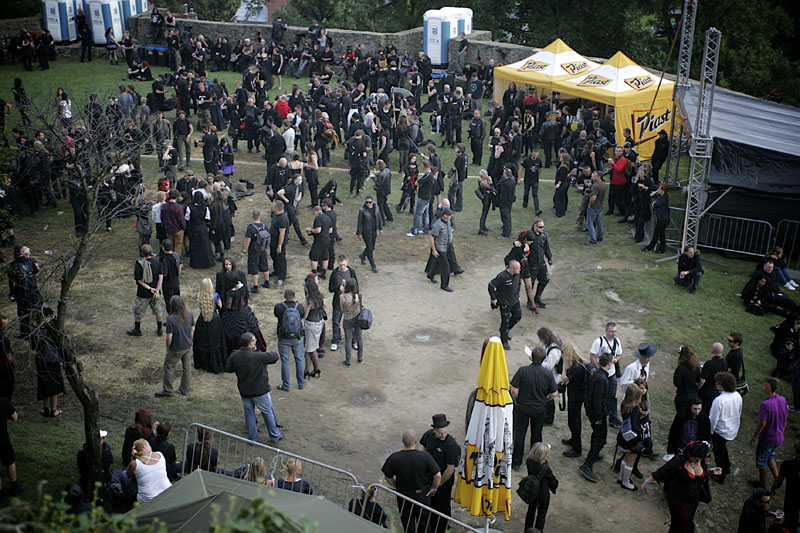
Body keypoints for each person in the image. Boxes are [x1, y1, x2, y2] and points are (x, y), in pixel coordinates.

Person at [641, 440, 712, 533]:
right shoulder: (679, 460)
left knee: (686, 521)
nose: (696, 460)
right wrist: (646, 482)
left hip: (693, 500)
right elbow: (662, 472)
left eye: (698, 458)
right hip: (677, 499)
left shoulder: (701, 461)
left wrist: (710, 472)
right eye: (694, 458)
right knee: (681, 524)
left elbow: (702, 476)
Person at [226, 332, 283, 443]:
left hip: (245, 391)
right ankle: (275, 435)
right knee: (267, 412)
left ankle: (252, 437)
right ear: (250, 344)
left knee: (249, 413)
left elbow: (229, 368)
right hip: (260, 391)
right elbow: (275, 356)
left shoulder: (235, 356)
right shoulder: (258, 356)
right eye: (254, 341)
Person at [382, 430, 442, 533]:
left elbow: (387, 477)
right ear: (416, 441)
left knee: (407, 523)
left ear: (402, 441)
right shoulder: (425, 456)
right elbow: (437, 475)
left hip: (404, 496)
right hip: (422, 495)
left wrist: (397, 486)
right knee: (424, 524)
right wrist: (433, 488)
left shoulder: (395, 458)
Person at [510, 346, 557, 470]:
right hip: (539, 409)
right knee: (536, 434)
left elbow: (514, 390)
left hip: (523, 407)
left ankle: (516, 462)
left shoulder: (523, 371)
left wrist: (516, 400)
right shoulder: (547, 374)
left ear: (531, 357)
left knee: (520, 434)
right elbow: (554, 393)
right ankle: (535, 459)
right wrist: (546, 400)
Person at [419, 414, 460, 531]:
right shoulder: (428, 435)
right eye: (440, 433)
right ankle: (430, 523)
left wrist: (438, 484)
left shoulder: (451, 444)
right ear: (434, 430)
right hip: (430, 476)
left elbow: (450, 469)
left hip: (444, 478)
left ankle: (442, 526)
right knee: (430, 501)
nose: (443, 435)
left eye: (445, 432)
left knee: (443, 503)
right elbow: (424, 449)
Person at [750, 377, 788, 489]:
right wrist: (782, 431)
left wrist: (754, 437)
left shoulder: (765, 404)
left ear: (768, 387)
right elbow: (785, 417)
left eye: (764, 385)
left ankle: (762, 484)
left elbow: (762, 423)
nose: (762, 387)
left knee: (762, 462)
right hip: (779, 437)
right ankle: (777, 478)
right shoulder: (782, 399)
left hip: (767, 439)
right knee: (770, 456)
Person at [579, 353, 612, 482]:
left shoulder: (597, 374)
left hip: (593, 412)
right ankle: (588, 465)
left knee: (596, 435)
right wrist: (599, 416)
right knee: (601, 439)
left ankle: (594, 454)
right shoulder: (602, 379)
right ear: (608, 363)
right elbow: (597, 400)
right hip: (597, 414)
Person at [155, 295, 194, 398]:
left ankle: (168, 390)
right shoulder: (189, 315)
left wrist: (168, 347)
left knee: (169, 366)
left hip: (176, 348)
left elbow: (169, 337)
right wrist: (190, 339)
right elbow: (192, 329)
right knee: (187, 367)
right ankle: (185, 389)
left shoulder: (171, 319)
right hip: (188, 346)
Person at [709, 372, 742, 484]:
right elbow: (739, 412)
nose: (716, 384)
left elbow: (713, 419)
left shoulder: (719, 400)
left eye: (718, 383)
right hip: (732, 429)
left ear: (723, 385)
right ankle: (727, 466)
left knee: (719, 453)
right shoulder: (737, 395)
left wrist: (710, 432)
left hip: (720, 431)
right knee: (722, 448)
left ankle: (720, 475)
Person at [589, 322, 624, 427]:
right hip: (602, 374)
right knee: (599, 395)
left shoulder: (617, 341)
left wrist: (615, 361)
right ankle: (599, 414)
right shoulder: (598, 342)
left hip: (611, 374)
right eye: (611, 331)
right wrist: (600, 370)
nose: (614, 334)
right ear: (606, 331)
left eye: (615, 331)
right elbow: (592, 357)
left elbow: (619, 355)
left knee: (612, 396)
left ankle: (613, 417)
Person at [127, 244, 164, 337]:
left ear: (142, 253)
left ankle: (137, 329)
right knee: (158, 310)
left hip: (143, 293)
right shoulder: (157, 262)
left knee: (138, 310)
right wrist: (157, 290)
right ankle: (159, 330)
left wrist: (149, 289)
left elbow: (139, 280)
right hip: (156, 292)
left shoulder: (139, 264)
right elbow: (160, 277)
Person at [273, 289, 306, 392]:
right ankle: (301, 383)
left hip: (283, 338)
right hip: (297, 337)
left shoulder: (279, 307)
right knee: (299, 359)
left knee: (285, 361)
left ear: (284, 296)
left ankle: (286, 385)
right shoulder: (299, 307)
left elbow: (277, 316)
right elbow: (302, 316)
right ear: (294, 296)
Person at [7, 245, 42, 337]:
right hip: (32, 290)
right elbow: (36, 272)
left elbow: (11, 282)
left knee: (23, 312)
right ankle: (38, 330)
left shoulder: (12, 265)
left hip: (21, 291)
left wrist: (12, 294)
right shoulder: (31, 261)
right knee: (36, 309)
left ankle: (26, 333)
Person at [488, 260, 522, 350]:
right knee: (505, 321)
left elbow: (518, 284)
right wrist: (493, 298)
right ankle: (504, 341)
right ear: (511, 269)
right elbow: (491, 285)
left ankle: (506, 331)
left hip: (514, 300)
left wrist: (518, 295)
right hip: (505, 302)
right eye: (518, 268)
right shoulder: (502, 276)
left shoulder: (517, 274)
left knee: (518, 316)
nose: (520, 270)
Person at [616, 384, 644, 490]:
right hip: (633, 439)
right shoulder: (635, 408)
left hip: (623, 437)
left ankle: (621, 477)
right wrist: (642, 429)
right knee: (631, 460)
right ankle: (625, 481)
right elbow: (635, 426)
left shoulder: (624, 405)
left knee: (625, 457)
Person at [126, 439, 171, 503]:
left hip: (147, 499)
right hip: (167, 492)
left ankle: (127, 501)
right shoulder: (160, 455)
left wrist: (133, 457)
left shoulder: (134, 463)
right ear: (145, 447)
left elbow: (128, 474)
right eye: (149, 445)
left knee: (123, 475)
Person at [329, 256, 357, 353]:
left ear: (347, 263)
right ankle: (336, 340)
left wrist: (353, 295)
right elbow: (330, 288)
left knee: (351, 320)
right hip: (338, 299)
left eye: (344, 265)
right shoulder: (335, 273)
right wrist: (338, 288)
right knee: (336, 321)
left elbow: (356, 286)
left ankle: (354, 339)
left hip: (349, 300)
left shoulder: (352, 272)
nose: (342, 267)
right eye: (340, 265)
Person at [770, 440, 799, 533]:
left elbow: (778, 481)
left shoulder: (788, 464)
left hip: (792, 496)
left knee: (791, 518)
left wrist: (772, 489)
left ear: (795, 450)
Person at [0, 396, 25, 499]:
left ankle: (0, 493)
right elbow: (15, 417)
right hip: (3, 439)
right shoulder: (3, 401)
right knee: (10, 462)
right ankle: (15, 487)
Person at [242, 209, 271, 293]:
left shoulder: (250, 228)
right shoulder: (265, 226)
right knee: (265, 265)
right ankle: (267, 282)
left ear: (252, 217)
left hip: (254, 250)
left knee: (254, 268)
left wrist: (244, 251)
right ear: (260, 216)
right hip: (263, 248)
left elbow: (248, 240)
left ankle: (255, 286)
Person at [303, 275, 325, 379]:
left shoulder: (309, 301)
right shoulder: (320, 297)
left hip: (310, 324)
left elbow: (305, 315)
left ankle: (316, 369)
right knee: (310, 347)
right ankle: (306, 370)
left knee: (311, 349)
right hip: (319, 323)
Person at [429, 208, 455, 292]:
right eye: (449, 214)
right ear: (444, 216)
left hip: (446, 246)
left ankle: (430, 274)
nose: (451, 216)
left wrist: (451, 237)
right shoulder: (438, 225)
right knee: (446, 268)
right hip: (440, 248)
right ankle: (444, 285)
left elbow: (451, 230)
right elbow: (432, 237)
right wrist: (434, 250)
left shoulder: (448, 222)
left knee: (437, 262)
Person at [528, 219, 552, 310]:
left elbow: (546, 247)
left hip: (541, 262)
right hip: (532, 263)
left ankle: (537, 297)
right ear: (535, 226)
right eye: (540, 227)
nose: (542, 228)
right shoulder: (529, 235)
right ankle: (530, 301)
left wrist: (549, 258)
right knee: (531, 283)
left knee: (545, 280)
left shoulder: (544, 236)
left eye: (543, 227)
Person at [340, 278, 363, 366]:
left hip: (347, 319)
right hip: (357, 319)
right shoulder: (358, 295)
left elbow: (342, 310)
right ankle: (360, 358)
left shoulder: (342, 297)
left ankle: (348, 360)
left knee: (348, 340)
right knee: (359, 338)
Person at [357, 196, 383, 273]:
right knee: (370, 248)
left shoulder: (376, 208)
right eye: (367, 202)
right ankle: (373, 265)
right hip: (366, 232)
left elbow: (379, 218)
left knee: (371, 248)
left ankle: (363, 255)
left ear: (373, 202)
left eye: (370, 202)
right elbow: (359, 223)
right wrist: (359, 233)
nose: (368, 204)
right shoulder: (362, 211)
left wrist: (380, 228)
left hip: (374, 231)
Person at [641, 183, 670, 253]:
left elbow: (656, 204)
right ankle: (662, 249)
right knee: (662, 235)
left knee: (656, 234)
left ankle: (649, 248)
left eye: (660, 189)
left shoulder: (665, 198)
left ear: (663, 190)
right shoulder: (660, 196)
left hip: (663, 219)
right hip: (661, 219)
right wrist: (657, 191)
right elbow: (651, 195)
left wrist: (655, 202)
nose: (658, 190)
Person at [674, 345, 702, 415]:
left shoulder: (681, 368)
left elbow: (677, 383)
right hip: (693, 396)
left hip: (682, 397)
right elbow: (698, 380)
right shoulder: (696, 367)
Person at [269, 200, 289, 286]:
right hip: (273, 241)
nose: (272, 208)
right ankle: (276, 271)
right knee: (273, 255)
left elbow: (282, 233)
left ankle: (282, 276)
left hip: (278, 242)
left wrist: (279, 245)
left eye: (273, 206)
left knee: (280, 259)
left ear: (277, 208)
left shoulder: (282, 218)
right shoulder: (276, 215)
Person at [521, 149, 542, 213]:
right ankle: (525, 204)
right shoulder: (527, 160)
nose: (535, 156)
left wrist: (538, 176)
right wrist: (519, 178)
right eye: (534, 155)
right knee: (526, 193)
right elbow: (522, 169)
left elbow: (540, 169)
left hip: (535, 180)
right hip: (527, 180)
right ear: (532, 154)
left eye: (536, 155)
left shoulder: (539, 160)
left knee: (535, 194)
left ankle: (537, 209)